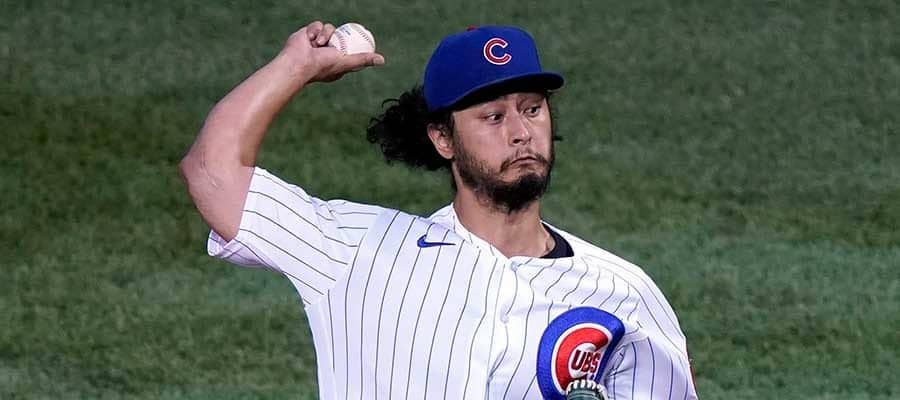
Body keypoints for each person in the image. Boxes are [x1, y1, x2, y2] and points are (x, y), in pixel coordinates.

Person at [180, 20, 698, 400]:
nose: (521, 132)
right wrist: (296, 66)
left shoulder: (622, 292)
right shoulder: (357, 252)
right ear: (442, 139)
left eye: (532, 109)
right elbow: (210, 172)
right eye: (493, 116)